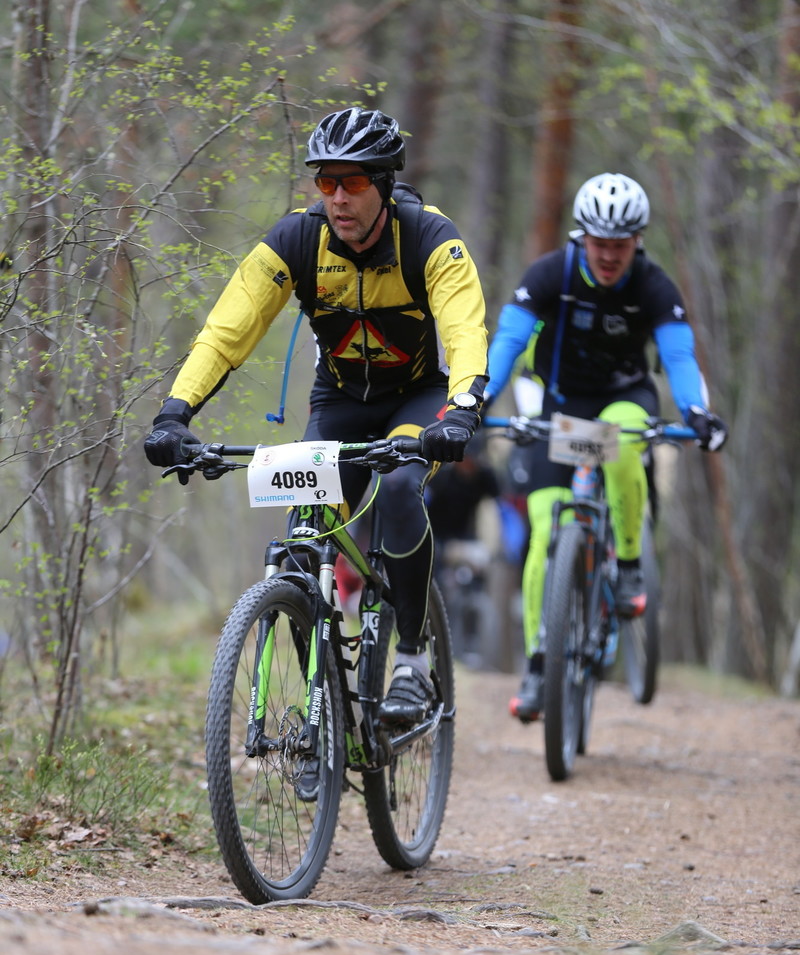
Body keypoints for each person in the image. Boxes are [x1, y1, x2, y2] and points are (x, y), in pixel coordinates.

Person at [144, 106, 488, 728]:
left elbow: (464, 329)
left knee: (404, 488)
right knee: (305, 540)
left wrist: (462, 409)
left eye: (352, 182)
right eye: (325, 181)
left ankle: (410, 658)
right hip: (337, 403)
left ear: (383, 184)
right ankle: (322, 707)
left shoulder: (433, 238)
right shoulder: (298, 239)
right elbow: (228, 330)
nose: (337, 197)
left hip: (415, 400)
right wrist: (176, 411)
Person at [484, 171, 728, 723]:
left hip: (623, 399)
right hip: (562, 408)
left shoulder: (654, 286)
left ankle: (630, 565)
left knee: (620, 445)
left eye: (621, 246)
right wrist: (476, 404)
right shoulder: (550, 274)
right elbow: (509, 342)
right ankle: (540, 662)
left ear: (637, 242)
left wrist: (695, 413)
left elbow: (680, 358)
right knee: (544, 527)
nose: (611, 256)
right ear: (582, 236)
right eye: (601, 244)